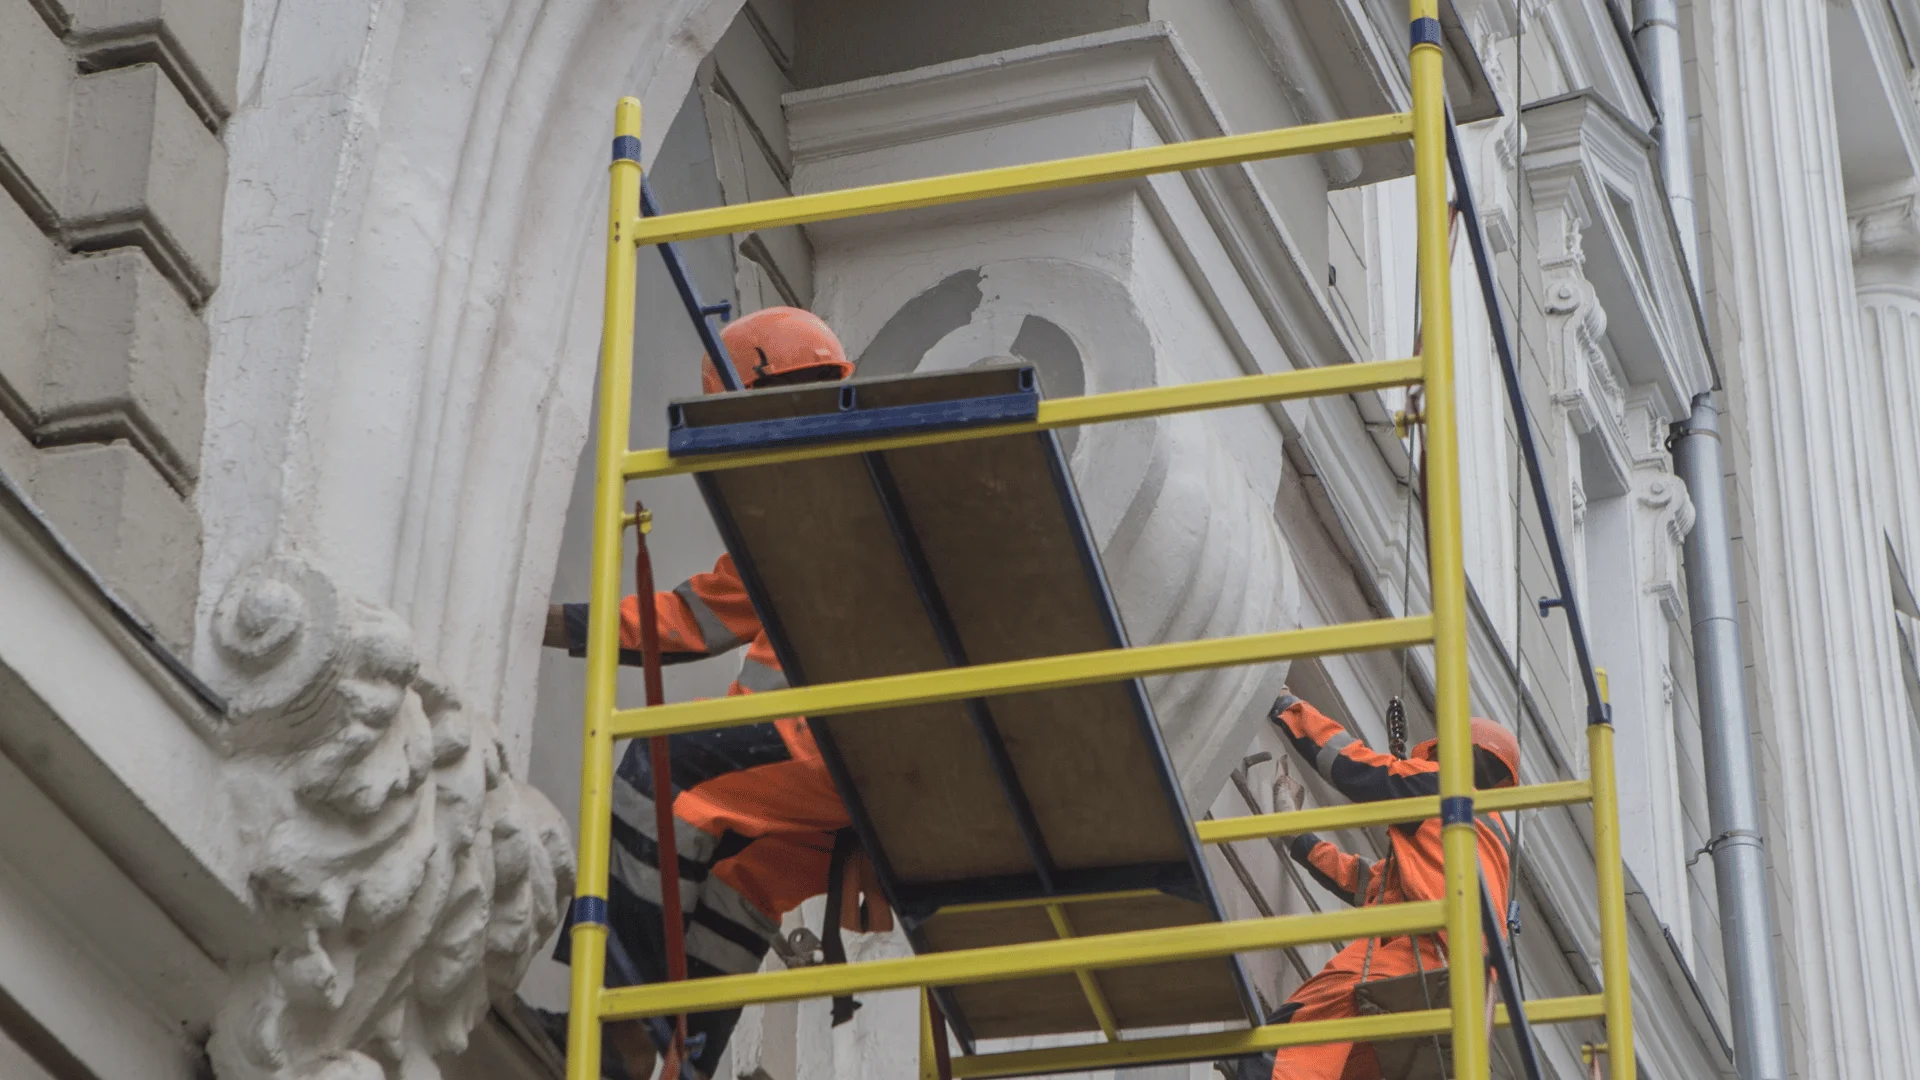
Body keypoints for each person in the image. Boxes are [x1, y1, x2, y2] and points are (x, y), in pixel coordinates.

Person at [543, 307, 882, 1080]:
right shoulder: (818, 502)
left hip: (835, 748)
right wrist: (557, 622)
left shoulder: (831, 499)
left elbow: (688, 623)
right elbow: (686, 620)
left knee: (658, 770)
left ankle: (626, 1033)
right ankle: (682, 1069)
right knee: (739, 888)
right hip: (845, 785)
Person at [1243, 692, 1518, 1080]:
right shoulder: (1477, 844)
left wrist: (1288, 707)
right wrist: (1299, 838)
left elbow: (1353, 765)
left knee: (1281, 1048)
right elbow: (1373, 884)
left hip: (1412, 960)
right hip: (1462, 996)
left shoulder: (1442, 790)